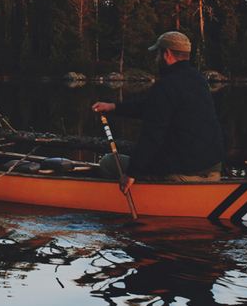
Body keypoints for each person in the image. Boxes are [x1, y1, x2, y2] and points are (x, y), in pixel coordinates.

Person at [91, 31, 224, 192]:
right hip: (213, 171)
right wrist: (114, 107)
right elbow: (150, 106)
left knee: (108, 162)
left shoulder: (166, 86)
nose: (156, 59)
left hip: (181, 174)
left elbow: (151, 136)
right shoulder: (199, 81)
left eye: (157, 54)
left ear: (166, 54)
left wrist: (131, 173)